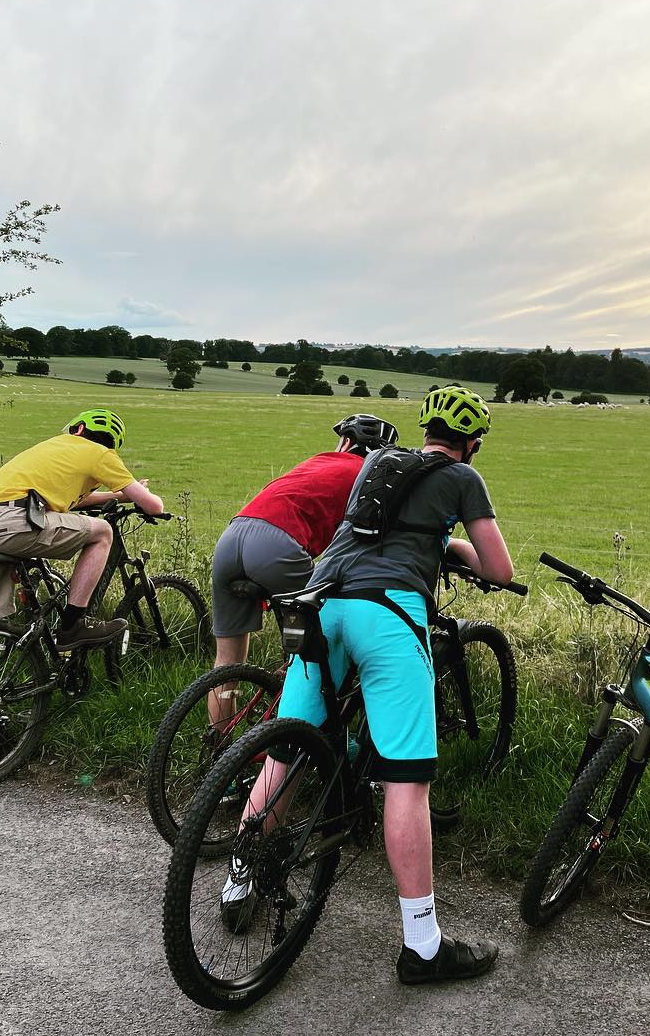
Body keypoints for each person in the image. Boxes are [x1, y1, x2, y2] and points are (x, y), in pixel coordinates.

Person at [225, 384, 515, 985]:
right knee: (406, 782)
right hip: (386, 613)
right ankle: (423, 945)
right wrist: (455, 547)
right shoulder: (463, 478)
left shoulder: (379, 463)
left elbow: (373, 531)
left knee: (286, 751)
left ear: (423, 428)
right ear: (474, 443)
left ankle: (239, 878)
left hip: (321, 602)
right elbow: (499, 569)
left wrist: (437, 542)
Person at [0, 408, 164, 651]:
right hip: (11, 523)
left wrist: (118, 496)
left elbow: (67, 499)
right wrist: (142, 494)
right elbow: (154, 506)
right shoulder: (101, 453)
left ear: (79, 428)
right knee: (103, 532)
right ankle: (73, 625)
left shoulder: (49, 446)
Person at [209, 414, 399, 671]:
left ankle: (231, 705)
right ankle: (298, 698)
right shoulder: (366, 478)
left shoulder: (316, 462)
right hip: (275, 546)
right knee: (324, 637)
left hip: (232, 536)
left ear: (346, 442)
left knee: (226, 662)